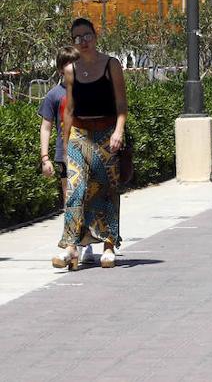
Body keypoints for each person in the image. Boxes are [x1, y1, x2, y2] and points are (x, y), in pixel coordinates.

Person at [52, 18, 127, 270]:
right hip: (79, 135)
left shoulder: (111, 65)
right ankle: (71, 247)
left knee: (106, 190)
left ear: (95, 35)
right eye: (77, 38)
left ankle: (108, 244)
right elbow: (69, 109)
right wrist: (64, 144)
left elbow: (121, 104)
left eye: (86, 36)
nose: (82, 42)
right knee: (75, 190)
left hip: (106, 134)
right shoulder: (71, 70)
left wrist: (119, 130)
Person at [39, 46, 96, 265]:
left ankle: (86, 243)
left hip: (88, 152)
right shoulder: (54, 95)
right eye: (70, 64)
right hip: (64, 155)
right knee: (70, 200)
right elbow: (46, 127)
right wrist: (45, 158)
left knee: (87, 198)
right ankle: (75, 245)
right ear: (61, 69)